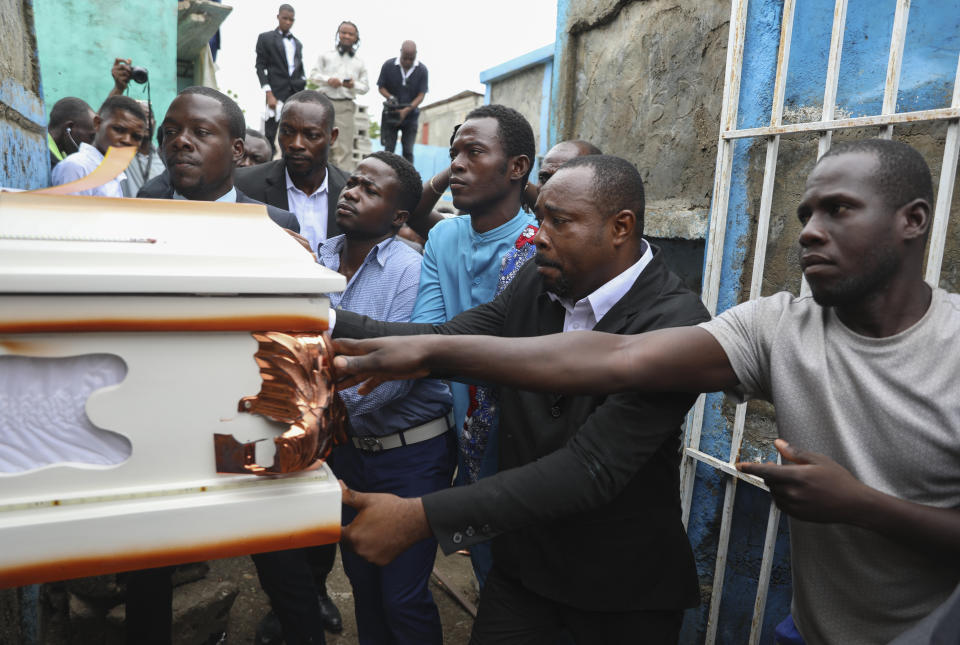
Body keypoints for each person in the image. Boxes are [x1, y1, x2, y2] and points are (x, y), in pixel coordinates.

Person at [333, 140, 960, 645]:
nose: (809, 233)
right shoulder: (775, 324)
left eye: (838, 210)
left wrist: (861, 504)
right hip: (543, 577)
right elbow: (618, 356)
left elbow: (592, 469)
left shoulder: (680, 311)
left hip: (625, 596)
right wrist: (345, 327)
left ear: (914, 220)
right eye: (804, 215)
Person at [333, 155, 706, 644]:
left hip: (621, 592)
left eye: (560, 221)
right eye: (541, 216)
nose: (538, 234)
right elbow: (445, 338)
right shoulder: (540, 279)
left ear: (621, 227)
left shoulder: (676, 324)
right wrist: (317, 317)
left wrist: (423, 517)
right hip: (523, 572)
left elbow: (591, 468)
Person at [321, 151, 453, 645]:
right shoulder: (314, 258)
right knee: (362, 581)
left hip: (411, 455)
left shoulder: (410, 270)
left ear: (400, 216)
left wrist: (316, 413)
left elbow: (396, 377)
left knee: (403, 595)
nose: (351, 191)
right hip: (350, 452)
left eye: (369, 189)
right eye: (352, 182)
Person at [138, 86, 298, 234]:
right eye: (171, 131)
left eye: (201, 132)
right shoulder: (139, 216)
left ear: (236, 149)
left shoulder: (275, 226)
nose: (180, 141)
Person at [235, 90, 350, 256]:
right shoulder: (243, 185)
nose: (296, 144)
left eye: (311, 135)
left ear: (332, 136)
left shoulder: (351, 192)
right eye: (287, 132)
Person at [51, 95, 146, 197]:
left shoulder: (112, 173)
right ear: (97, 124)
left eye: (136, 137)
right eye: (119, 130)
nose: (127, 141)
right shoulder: (77, 167)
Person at [309, 21, 368, 171]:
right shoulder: (325, 56)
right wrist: (328, 80)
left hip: (345, 107)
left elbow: (365, 87)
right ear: (338, 35)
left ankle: (341, 187)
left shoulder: (359, 63)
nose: (346, 36)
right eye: (343, 33)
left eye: (350, 34)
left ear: (356, 38)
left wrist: (352, 84)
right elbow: (313, 75)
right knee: (318, 144)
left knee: (344, 150)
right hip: (323, 104)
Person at [255, 4, 306, 145]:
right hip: (275, 93)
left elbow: (299, 68)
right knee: (270, 135)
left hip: (295, 93)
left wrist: (302, 86)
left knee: (292, 133)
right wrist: (268, 93)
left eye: (291, 20)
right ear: (278, 17)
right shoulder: (265, 38)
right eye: (285, 18)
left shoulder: (298, 43)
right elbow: (260, 67)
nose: (288, 22)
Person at [376, 41, 428, 163]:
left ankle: (408, 180)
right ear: (400, 53)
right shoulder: (388, 65)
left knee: (408, 151)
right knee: (388, 150)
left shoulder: (422, 70)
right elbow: (381, 87)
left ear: (416, 54)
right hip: (391, 114)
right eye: (405, 58)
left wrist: (407, 110)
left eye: (411, 58)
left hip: (411, 117)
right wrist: (390, 97)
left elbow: (421, 95)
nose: (408, 62)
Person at [47, 97, 96, 169]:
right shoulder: (42, 156)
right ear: (69, 128)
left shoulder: (64, 159)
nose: (92, 145)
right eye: (92, 137)